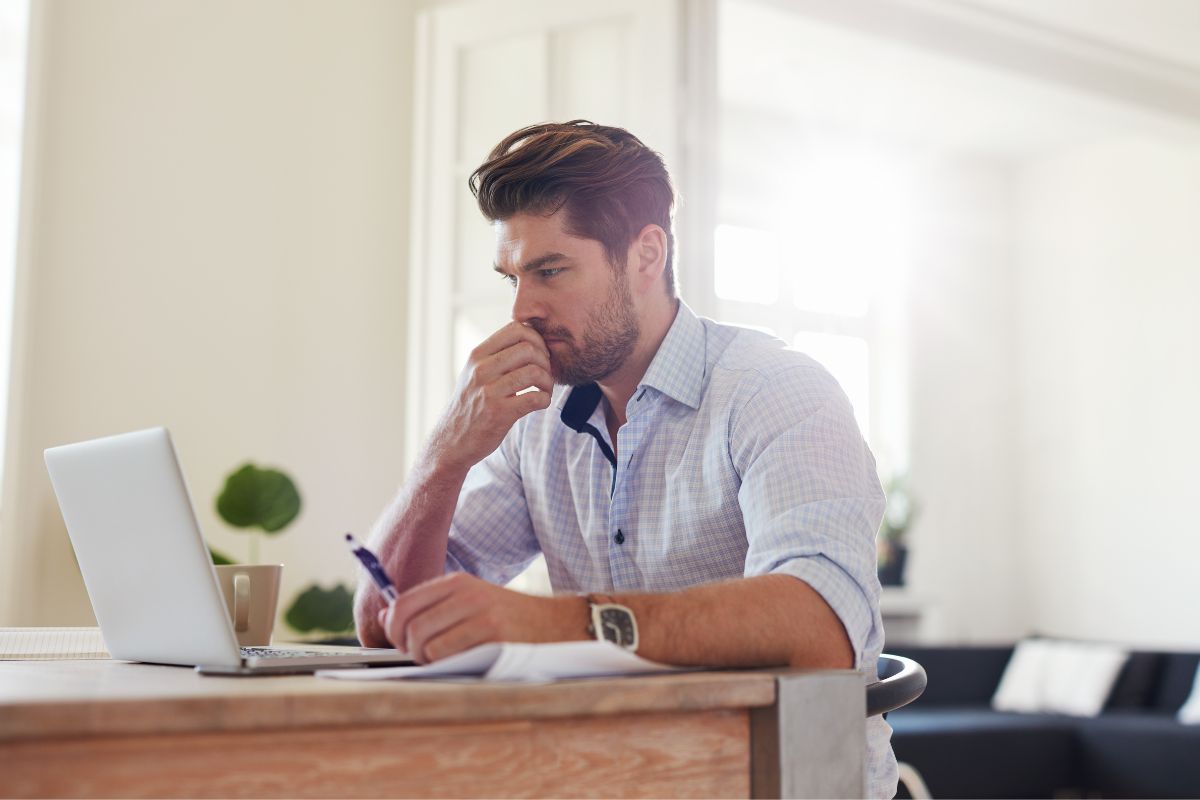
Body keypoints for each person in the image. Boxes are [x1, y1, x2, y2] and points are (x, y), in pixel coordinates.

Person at [353, 120, 895, 798]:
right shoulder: (537, 422)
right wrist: (445, 454)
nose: (523, 310)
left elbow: (819, 626)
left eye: (550, 271)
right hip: (613, 778)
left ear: (645, 255)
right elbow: (383, 619)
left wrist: (556, 624)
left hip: (776, 779)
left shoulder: (777, 391)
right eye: (512, 277)